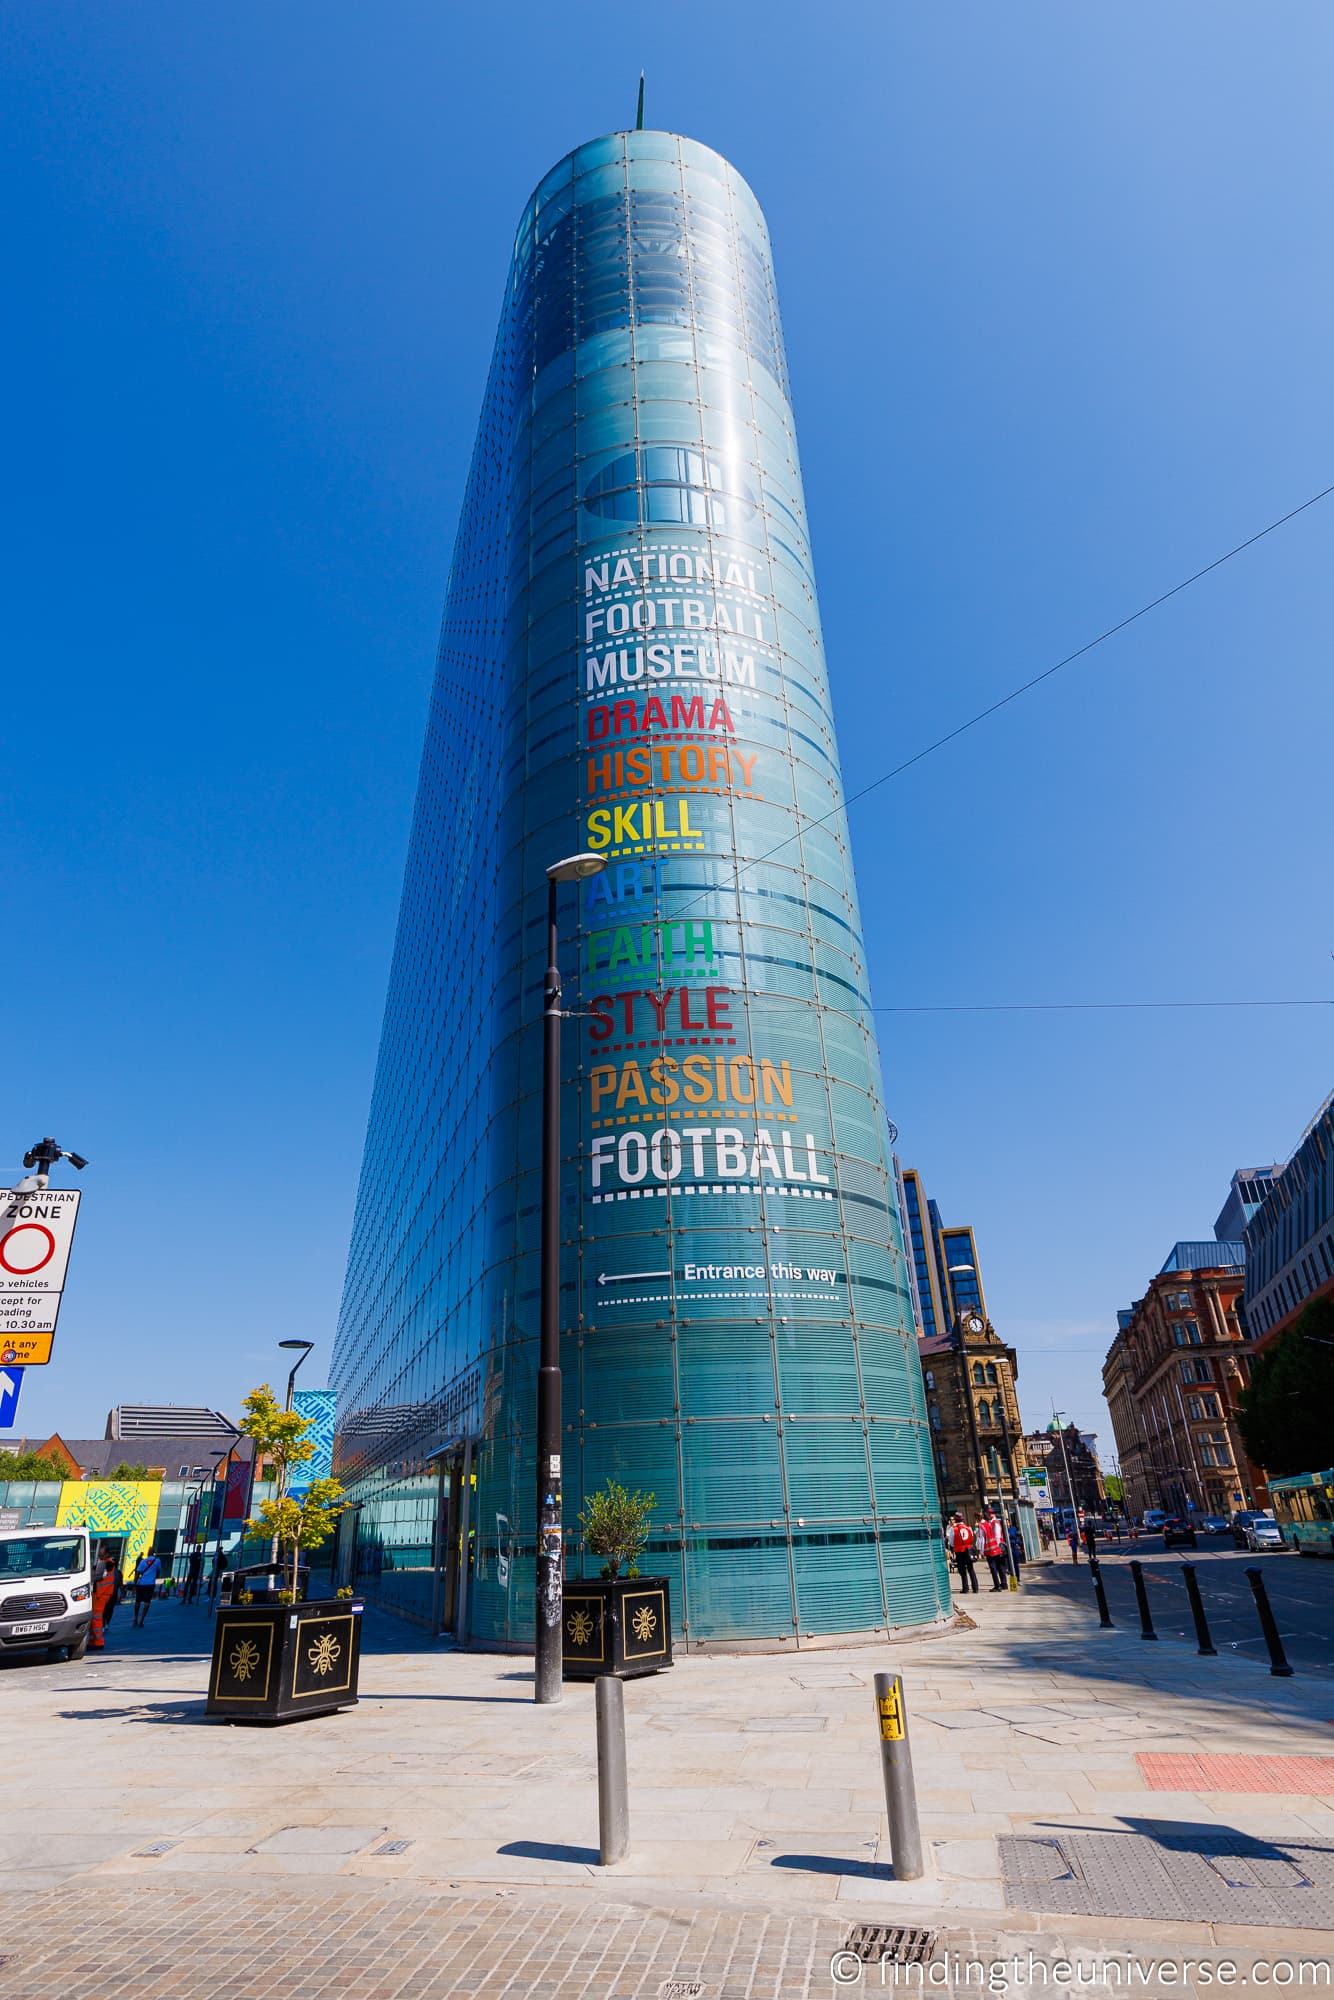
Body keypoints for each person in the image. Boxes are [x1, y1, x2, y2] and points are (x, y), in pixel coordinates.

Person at [89, 1546, 118, 1650]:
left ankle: (98, 1641)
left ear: (106, 1554)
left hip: (101, 1594)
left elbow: (97, 1575)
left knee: (97, 1618)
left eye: (101, 1554)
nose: (100, 1556)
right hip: (100, 1594)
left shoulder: (108, 1563)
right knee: (94, 1618)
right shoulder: (106, 1563)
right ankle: (93, 1640)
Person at [946, 1512, 978, 1593]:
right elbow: (972, 1538)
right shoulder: (968, 1528)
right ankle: (975, 1588)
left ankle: (965, 1588)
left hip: (960, 1551)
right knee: (971, 1569)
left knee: (962, 1570)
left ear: (956, 1520)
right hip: (968, 1550)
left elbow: (952, 1542)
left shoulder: (954, 1529)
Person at [979, 1508, 1008, 1590]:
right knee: (998, 1567)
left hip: (995, 1548)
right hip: (994, 1548)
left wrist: (997, 1547)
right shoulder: (990, 1523)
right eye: (988, 1513)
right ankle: (1003, 1584)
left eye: (990, 1513)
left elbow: (997, 1536)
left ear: (993, 1514)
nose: (989, 1515)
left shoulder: (995, 1523)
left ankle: (999, 1585)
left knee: (995, 1567)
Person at [132, 1548, 162, 1627]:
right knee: (147, 1602)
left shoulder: (142, 1561)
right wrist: (155, 1576)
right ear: (154, 1553)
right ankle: (142, 1620)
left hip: (141, 1584)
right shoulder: (157, 1561)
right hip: (150, 1584)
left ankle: (135, 1618)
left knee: (137, 1601)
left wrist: (135, 1585)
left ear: (148, 1553)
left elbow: (137, 1573)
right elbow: (158, 1572)